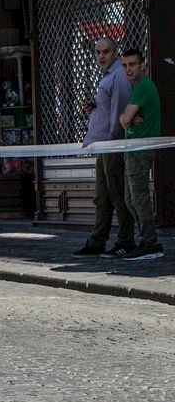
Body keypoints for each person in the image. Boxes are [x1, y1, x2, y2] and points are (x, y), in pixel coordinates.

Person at [73, 36, 135, 257]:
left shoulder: (118, 75)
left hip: (111, 145)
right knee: (102, 196)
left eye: (106, 52)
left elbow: (120, 113)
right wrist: (95, 108)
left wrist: (113, 144)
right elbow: (108, 108)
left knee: (118, 194)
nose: (101, 56)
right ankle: (97, 240)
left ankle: (126, 240)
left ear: (115, 53)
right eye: (98, 52)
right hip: (101, 145)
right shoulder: (107, 76)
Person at [117, 49, 164, 260]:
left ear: (142, 65)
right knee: (130, 198)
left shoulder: (143, 86)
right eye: (125, 65)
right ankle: (146, 238)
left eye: (133, 64)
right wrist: (130, 117)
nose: (128, 69)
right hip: (132, 149)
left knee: (139, 197)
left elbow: (124, 120)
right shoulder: (138, 87)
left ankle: (150, 242)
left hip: (139, 150)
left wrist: (129, 117)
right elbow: (126, 118)